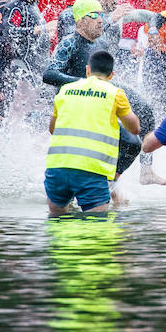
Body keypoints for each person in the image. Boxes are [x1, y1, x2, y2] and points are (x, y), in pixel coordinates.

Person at [45, 48, 141, 214]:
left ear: (87, 70)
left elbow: (52, 129)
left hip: (57, 168)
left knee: (57, 223)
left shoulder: (65, 90)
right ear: (111, 75)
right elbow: (134, 129)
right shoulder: (114, 93)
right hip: (91, 170)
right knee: (96, 227)